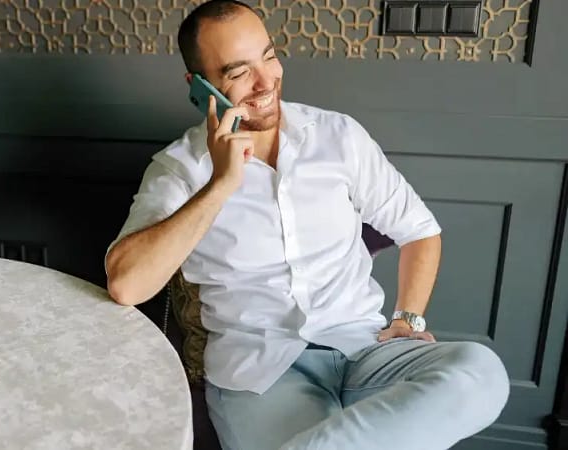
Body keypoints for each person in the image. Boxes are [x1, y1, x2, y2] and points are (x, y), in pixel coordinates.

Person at [104, 1, 510, 449]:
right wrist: (220, 185)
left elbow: (419, 230)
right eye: (239, 72)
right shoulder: (179, 170)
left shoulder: (338, 136)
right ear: (199, 86)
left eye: (269, 56)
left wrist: (407, 318)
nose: (266, 82)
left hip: (365, 348)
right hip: (259, 373)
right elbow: (127, 285)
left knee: (481, 374)